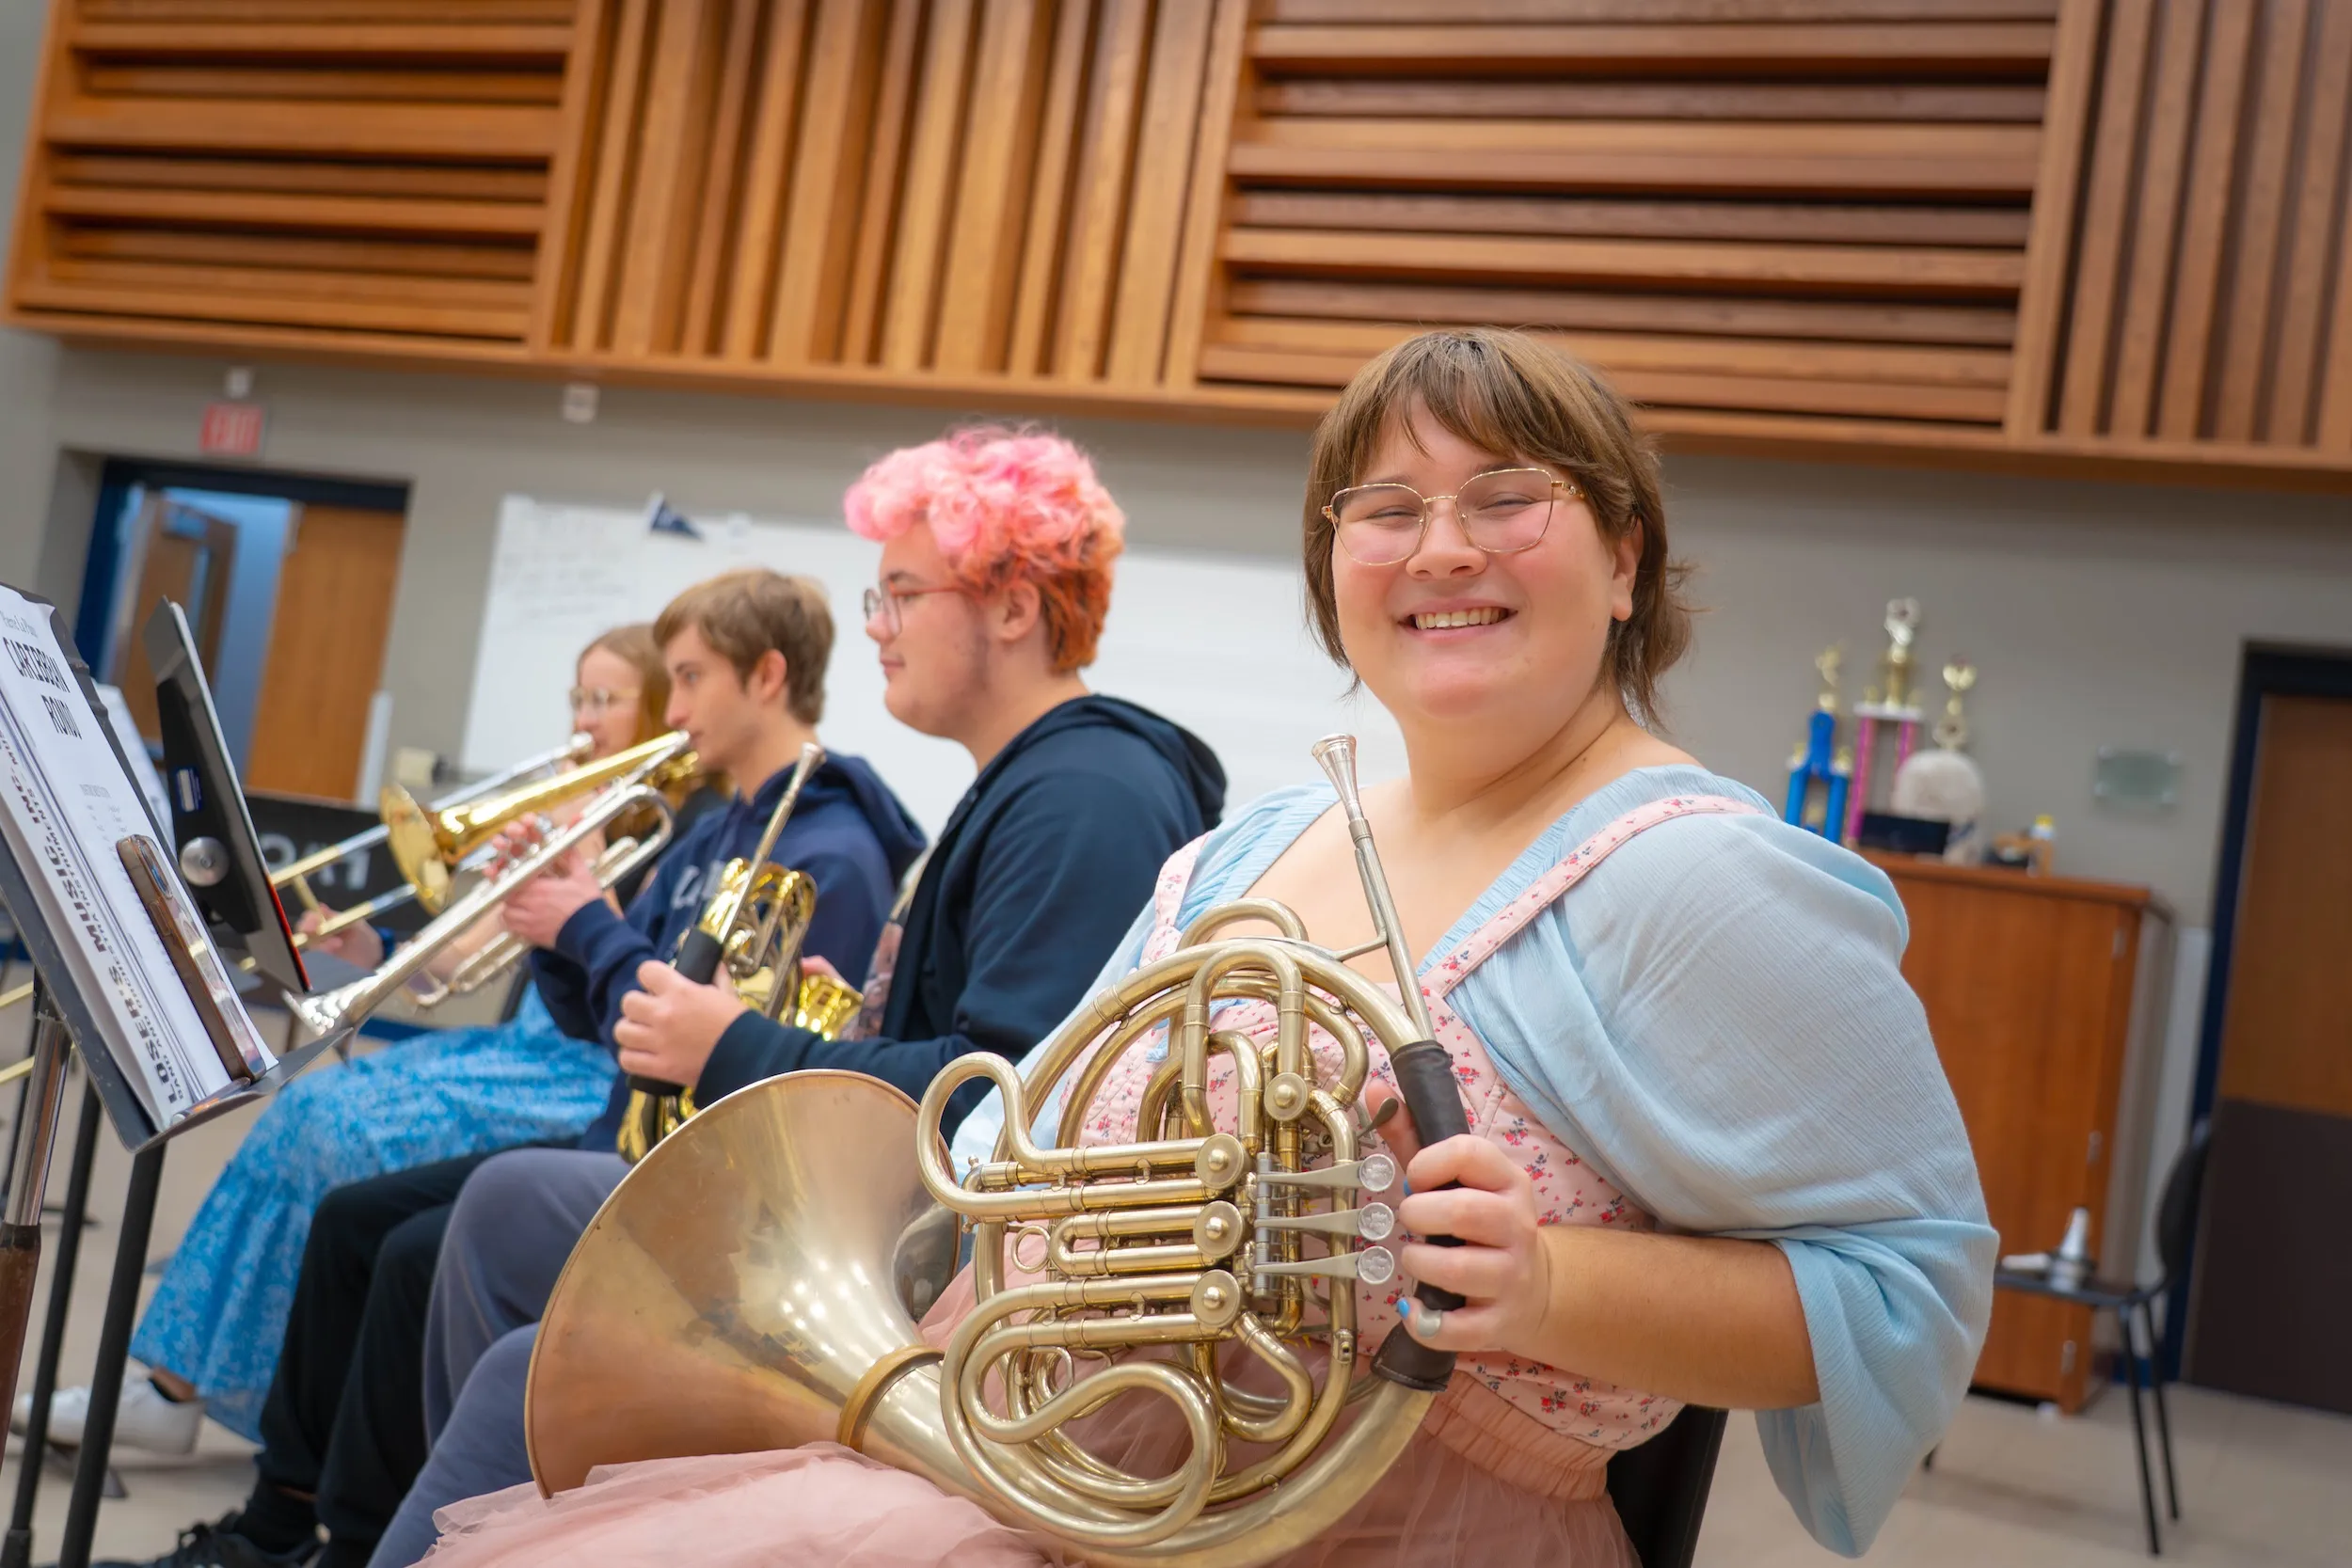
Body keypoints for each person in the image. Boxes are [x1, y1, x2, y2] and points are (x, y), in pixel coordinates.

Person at [405, 330, 1994, 1568]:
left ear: (1627, 555)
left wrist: (1549, 1280)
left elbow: (1908, 1289)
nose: (1440, 549)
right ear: (1333, 568)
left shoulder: (1694, 879)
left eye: (1508, 497)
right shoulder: (1233, 858)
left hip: (1376, 1528)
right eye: (1385, 509)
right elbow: (1010, 1161)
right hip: (1044, 1467)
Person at [369, 427, 1227, 1567]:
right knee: (503, 1208)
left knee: (505, 1362)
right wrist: (853, 1022)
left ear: (1012, 605)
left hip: (943, 1281)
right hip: (901, 1230)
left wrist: (739, 1041)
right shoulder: (1031, 781)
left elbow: (1014, 1101)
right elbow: (975, 1042)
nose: (876, 626)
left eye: (901, 593)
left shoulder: (1082, 797)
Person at [99, 570, 924, 1568]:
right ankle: (293, 1515)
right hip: (611, 1128)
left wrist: (587, 922)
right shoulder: (718, 827)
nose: (675, 708)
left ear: (768, 676)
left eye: (691, 677)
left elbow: (700, 1051)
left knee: (409, 1253)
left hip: (682, 1177)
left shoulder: (831, 847)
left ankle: (358, 1536)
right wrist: (549, 926)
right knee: (360, 1220)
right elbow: (594, 1013)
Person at [22, 625, 714, 1462]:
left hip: (583, 1073)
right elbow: (457, 966)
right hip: (516, 1054)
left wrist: (581, 859)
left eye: (608, 699)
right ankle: (176, 1382)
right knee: (308, 1102)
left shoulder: (669, 828)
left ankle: (230, 1400)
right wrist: (371, 951)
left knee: (339, 1128)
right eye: (579, 695)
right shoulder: (568, 801)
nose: (585, 716)